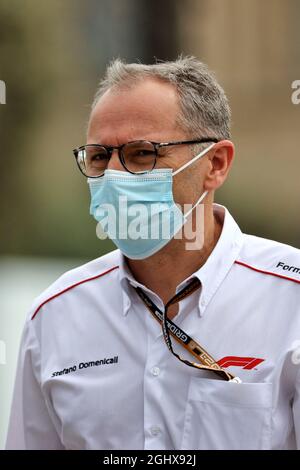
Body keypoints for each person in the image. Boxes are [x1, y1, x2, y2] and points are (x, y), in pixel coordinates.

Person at [6, 57, 300, 450]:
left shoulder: (290, 298)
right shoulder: (55, 315)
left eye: (142, 153)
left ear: (215, 163)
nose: (113, 175)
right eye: (98, 157)